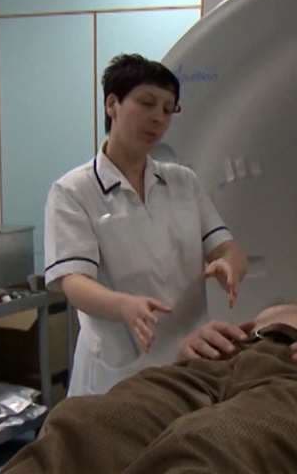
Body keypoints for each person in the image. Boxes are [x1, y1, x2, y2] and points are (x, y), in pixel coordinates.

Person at [1, 285, 297, 474]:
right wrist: (196, 344)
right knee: (89, 424)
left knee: (219, 445)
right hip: (216, 366)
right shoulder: (292, 306)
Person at [44, 54, 247, 396]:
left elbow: (228, 249)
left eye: (168, 109)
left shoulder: (183, 181)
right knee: (118, 430)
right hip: (118, 368)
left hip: (189, 356)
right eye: (147, 103)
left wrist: (230, 265)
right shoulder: (73, 191)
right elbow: (73, 282)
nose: (158, 118)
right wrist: (123, 305)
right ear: (112, 104)